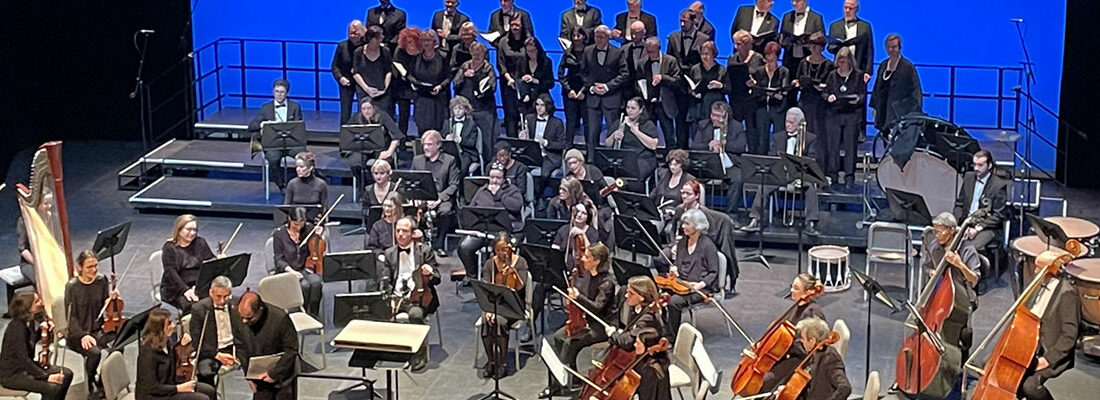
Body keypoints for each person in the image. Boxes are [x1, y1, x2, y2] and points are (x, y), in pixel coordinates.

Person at [539, 242, 618, 399]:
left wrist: (578, 297)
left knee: (570, 343)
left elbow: (597, 307)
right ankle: (573, 378)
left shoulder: (607, 283)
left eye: (587, 257)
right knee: (558, 337)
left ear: (596, 261)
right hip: (586, 321)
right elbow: (582, 296)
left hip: (602, 326)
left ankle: (557, 384)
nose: (583, 258)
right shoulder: (589, 274)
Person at [742, 107, 821, 235]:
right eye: (786, 122)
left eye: (792, 123)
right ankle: (755, 220)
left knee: (810, 187)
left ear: (800, 124)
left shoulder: (811, 138)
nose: (788, 125)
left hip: (799, 174)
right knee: (763, 186)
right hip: (780, 174)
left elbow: (812, 159)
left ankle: (810, 223)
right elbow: (772, 157)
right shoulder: (777, 137)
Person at [378, 217, 441, 371]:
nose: (400, 234)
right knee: (374, 311)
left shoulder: (424, 251)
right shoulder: (389, 253)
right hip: (397, 297)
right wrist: (386, 293)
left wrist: (430, 272)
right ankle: (392, 352)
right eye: (397, 230)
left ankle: (419, 355)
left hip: (419, 298)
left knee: (415, 314)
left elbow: (437, 278)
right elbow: (384, 279)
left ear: (412, 234)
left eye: (404, 231)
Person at [1016, 258, 1080, 400]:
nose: (1035, 271)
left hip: (1050, 352)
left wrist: (1049, 359)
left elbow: (1069, 335)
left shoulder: (1067, 293)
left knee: (1030, 386)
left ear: (1051, 269)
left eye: (1039, 268)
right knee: (989, 364)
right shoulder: (1037, 285)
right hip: (1030, 346)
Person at [921, 212, 981, 357]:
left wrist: (960, 265)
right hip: (939, 292)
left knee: (961, 332)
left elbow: (974, 279)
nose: (936, 235)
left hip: (962, 297)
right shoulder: (935, 246)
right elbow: (926, 266)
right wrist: (931, 273)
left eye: (940, 231)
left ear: (952, 230)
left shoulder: (967, 250)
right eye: (934, 231)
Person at [605, 277, 671, 400]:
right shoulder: (637, 310)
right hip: (642, 359)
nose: (625, 296)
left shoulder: (648, 318)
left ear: (642, 297)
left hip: (649, 366)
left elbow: (629, 342)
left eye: (630, 293)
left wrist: (613, 334)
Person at [65, 250, 119, 397]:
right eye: (89, 267)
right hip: (78, 333)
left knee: (118, 346)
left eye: (96, 266)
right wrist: (82, 335)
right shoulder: (72, 286)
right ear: (79, 268)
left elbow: (105, 307)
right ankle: (90, 383)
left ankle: (102, 380)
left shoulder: (101, 280)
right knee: (95, 353)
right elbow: (71, 318)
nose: (94, 270)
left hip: (97, 329)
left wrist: (111, 299)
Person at [0, 292, 74, 400]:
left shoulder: (29, 322)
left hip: (25, 368)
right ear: (28, 307)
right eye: (37, 301)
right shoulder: (17, 328)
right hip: (12, 375)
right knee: (51, 388)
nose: (41, 303)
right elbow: (23, 359)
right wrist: (46, 376)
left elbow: (37, 339)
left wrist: (46, 329)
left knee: (67, 374)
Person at [458, 163, 525, 281]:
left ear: (504, 179)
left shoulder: (512, 190)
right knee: (464, 247)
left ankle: (499, 278)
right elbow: (471, 209)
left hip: (505, 231)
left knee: (500, 248)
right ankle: (472, 276)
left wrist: (498, 194)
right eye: (492, 177)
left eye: (498, 178)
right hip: (482, 230)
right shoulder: (482, 190)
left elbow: (516, 206)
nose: (494, 181)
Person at [662, 209, 719, 341]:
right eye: (683, 223)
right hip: (681, 283)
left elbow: (713, 272)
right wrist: (674, 269)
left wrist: (699, 285)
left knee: (674, 302)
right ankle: (664, 328)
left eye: (687, 224)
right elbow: (678, 263)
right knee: (657, 294)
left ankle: (671, 337)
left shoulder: (708, 245)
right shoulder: (683, 242)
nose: (683, 226)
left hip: (700, 287)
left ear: (697, 226)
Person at [135, 308, 216, 400]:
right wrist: (179, 388)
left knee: (209, 390)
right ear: (159, 328)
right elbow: (151, 388)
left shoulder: (168, 343)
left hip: (169, 387)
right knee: (202, 398)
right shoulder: (148, 353)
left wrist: (182, 346)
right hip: (153, 396)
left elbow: (174, 367)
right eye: (169, 323)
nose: (173, 325)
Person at [479, 233, 529, 378]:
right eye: (498, 250)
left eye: (504, 249)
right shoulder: (490, 264)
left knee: (500, 322)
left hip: (514, 306)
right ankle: (491, 361)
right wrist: (488, 309)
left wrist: (515, 273)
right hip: (494, 305)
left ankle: (502, 363)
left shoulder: (520, 262)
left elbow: (521, 287)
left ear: (510, 248)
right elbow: (486, 288)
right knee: (485, 320)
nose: (501, 253)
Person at [767, 317, 851, 400]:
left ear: (812, 341)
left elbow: (844, 388)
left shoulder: (830, 357)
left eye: (803, 338)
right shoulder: (812, 355)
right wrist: (787, 390)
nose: (801, 341)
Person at [238, 291, 299, 400]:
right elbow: (240, 347)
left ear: (260, 310)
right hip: (258, 376)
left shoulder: (280, 318)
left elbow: (291, 349)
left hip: (282, 374)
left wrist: (274, 374)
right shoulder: (239, 315)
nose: (244, 321)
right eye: (242, 317)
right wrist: (248, 375)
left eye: (249, 318)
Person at [189, 276, 249, 387]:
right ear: (211, 293)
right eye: (218, 296)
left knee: (256, 366)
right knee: (205, 372)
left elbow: (244, 332)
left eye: (226, 296)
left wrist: (237, 352)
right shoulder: (199, 309)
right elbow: (197, 342)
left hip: (234, 347)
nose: (222, 301)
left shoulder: (237, 304)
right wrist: (217, 355)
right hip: (210, 351)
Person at [689, 101, 747, 214]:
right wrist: (709, 145)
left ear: (726, 116)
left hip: (729, 164)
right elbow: (694, 146)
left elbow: (741, 146)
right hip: (708, 165)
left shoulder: (737, 126)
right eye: (713, 115)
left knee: (738, 179)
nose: (714, 118)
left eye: (718, 116)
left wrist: (723, 144)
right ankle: (697, 212)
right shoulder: (703, 125)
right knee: (692, 177)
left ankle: (731, 215)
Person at [582, 25, 629, 159]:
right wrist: (591, 87)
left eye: (602, 37)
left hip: (611, 98)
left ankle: (612, 161)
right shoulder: (587, 51)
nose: (598, 39)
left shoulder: (618, 52)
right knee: (592, 133)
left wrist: (607, 86)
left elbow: (624, 74)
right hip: (593, 99)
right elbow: (583, 73)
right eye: (597, 36)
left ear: (608, 38)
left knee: (612, 132)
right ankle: (591, 161)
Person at [247, 79, 304, 190]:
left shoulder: (295, 107)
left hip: (291, 143)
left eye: (282, 92)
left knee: (304, 156)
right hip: (273, 145)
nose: (279, 94)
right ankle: (281, 184)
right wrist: (263, 124)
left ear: (287, 92)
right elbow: (251, 126)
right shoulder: (266, 108)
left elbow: (299, 127)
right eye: (276, 91)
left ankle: (301, 185)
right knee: (273, 159)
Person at [952, 150, 1009, 260]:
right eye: (974, 164)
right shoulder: (969, 177)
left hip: (986, 227)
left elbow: (998, 216)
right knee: (947, 241)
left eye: (980, 165)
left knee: (968, 248)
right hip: (965, 223)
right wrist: (957, 223)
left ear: (990, 165)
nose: (976, 168)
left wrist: (978, 228)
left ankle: (972, 275)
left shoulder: (999, 185)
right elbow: (959, 204)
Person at [823, 46, 867, 187]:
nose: (842, 64)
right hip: (834, 114)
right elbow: (825, 92)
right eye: (840, 61)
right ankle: (833, 174)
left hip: (851, 115)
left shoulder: (858, 75)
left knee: (850, 147)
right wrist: (828, 97)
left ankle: (849, 176)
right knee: (833, 146)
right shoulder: (832, 75)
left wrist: (858, 100)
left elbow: (862, 94)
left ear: (850, 62)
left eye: (845, 61)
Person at [412, 131, 461, 255]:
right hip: (422, 196)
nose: (426, 148)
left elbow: (454, 185)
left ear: (438, 145)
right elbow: (411, 180)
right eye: (424, 145)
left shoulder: (450, 160)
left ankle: (439, 243)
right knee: (410, 209)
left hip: (441, 197)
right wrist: (416, 196)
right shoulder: (417, 160)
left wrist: (439, 198)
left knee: (445, 211)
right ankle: (418, 243)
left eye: (429, 144)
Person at [451, 40, 498, 167]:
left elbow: (493, 87)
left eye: (479, 53)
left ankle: (487, 164)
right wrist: (464, 75)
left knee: (486, 140)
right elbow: (455, 83)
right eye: (474, 53)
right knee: (467, 137)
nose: (477, 56)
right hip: (467, 108)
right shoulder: (465, 66)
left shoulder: (488, 68)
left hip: (484, 108)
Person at [272, 207, 325, 317]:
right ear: (289, 220)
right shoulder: (279, 235)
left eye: (301, 223)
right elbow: (278, 260)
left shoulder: (308, 229)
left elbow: (316, 246)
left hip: (304, 268)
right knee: (305, 285)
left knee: (316, 283)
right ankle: (303, 314)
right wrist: (291, 271)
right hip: (287, 271)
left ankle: (314, 313)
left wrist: (318, 234)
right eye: (296, 224)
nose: (299, 227)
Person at [667, 9, 710, 147]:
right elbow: (669, 58)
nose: (682, 23)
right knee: (679, 118)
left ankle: (698, 148)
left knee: (697, 118)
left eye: (685, 21)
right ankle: (681, 148)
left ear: (694, 20)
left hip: (696, 83)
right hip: (679, 83)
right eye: (681, 20)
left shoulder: (703, 38)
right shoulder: (673, 37)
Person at [161, 214, 216, 314]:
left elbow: (210, 263)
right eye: (188, 229)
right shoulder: (169, 248)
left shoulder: (200, 242)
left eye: (195, 230)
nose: (192, 233)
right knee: (193, 306)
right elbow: (170, 272)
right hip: (176, 287)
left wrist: (218, 260)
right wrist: (186, 290)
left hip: (198, 285)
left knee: (216, 299)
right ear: (179, 229)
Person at [345, 98, 402, 192]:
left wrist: (389, 151)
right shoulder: (357, 118)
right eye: (364, 109)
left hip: (382, 150)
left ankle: (381, 189)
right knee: (354, 163)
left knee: (380, 164)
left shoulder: (383, 116)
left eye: (369, 108)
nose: (366, 111)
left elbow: (396, 136)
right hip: (362, 149)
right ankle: (364, 189)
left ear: (374, 108)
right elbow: (348, 136)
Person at [793, 32, 833, 166]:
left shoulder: (828, 64)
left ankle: (820, 166)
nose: (814, 48)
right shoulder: (803, 62)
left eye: (817, 46)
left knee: (819, 135)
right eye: (812, 45)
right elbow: (799, 79)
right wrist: (797, 83)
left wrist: (822, 86)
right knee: (803, 133)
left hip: (820, 104)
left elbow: (830, 84)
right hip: (805, 101)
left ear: (822, 47)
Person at [634, 37, 680, 149]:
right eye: (647, 51)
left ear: (659, 49)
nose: (649, 54)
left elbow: (678, 81)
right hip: (649, 105)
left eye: (652, 52)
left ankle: (670, 160)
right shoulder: (642, 63)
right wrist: (643, 92)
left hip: (665, 104)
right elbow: (637, 82)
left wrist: (663, 78)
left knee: (669, 136)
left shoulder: (670, 61)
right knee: (648, 135)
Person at [870, 34, 922, 132]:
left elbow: (916, 91)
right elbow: (877, 87)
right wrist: (875, 106)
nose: (891, 50)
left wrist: (911, 112)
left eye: (894, 47)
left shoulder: (907, 67)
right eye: (888, 47)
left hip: (899, 112)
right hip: (883, 110)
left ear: (900, 47)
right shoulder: (883, 65)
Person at [748, 41, 789, 155]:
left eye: (772, 55)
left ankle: (777, 162)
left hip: (778, 109)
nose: (769, 58)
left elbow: (784, 91)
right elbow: (757, 90)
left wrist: (776, 95)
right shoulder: (759, 71)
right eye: (767, 55)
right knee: (762, 138)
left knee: (778, 139)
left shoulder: (783, 71)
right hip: (762, 108)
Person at [604, 96, 659, 178]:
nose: (629, 111)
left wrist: (636, 132)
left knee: (634, 171)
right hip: (624, 157)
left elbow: (653, 145)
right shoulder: (620, 122)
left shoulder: (647, 124)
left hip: (642, 158)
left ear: (640, 110)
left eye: (633, 108)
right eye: (628, 107)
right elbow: (607, 144)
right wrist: (613, 136)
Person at [409, 31, 451, 134]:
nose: (426, 43)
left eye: (428, 40)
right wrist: (414, 83)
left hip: (437, 98)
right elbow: (410, 74)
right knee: (422, 127)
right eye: (423, 40)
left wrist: (440, 86)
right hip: (421, 97)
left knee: (437, 129)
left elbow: (449, 77)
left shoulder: (443, 57)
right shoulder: (416, 57)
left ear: (435, 42)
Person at [518, 93, 570, 178]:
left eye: (542, 105)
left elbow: (563, 144)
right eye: (537, 104)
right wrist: (523, 139)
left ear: (548, 106)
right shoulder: (529, 118)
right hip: (532, 155)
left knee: (544, 173)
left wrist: (545, 142)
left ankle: (539, 191)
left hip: (549, 156)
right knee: (520, 169)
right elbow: (526, 140)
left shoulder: (557, 122)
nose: (539, 107)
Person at [826, 0, 874, 82]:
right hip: (839, 69)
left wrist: (868, 71)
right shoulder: (834, 26)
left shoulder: (865, 26)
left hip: (858, 68)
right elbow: (830, 47)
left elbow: (869, 50)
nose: (847, 10)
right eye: (845, 8)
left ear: (857, 9)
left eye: (851, 8)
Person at [352, 25, 394, 117]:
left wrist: (384, 89)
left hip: (381, 92)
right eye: (379, 37)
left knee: (383, 117)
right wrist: (367, 89)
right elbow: (355, 73)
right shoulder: (358, 52)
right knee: (365, 118)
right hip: (364, 91)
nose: (382, 38)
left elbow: (389, 71)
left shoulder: (385, 51)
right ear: (371, 38)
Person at [726, 30, 765, 127]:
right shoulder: (732, 59)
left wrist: (755, 82)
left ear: (747, 44)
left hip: (752, 100)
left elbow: (763, 79)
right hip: (736, 99)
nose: (736, 47)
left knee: (751, 130)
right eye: (734, 43)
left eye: (739, 44)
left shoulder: (758, 58)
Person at [332, 20, 366, 123]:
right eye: (350, 33)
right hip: (346, 83)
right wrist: (340, 78)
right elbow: (335, 66)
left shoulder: (367, 47)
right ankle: (344, 135)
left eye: (356, 33)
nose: (353, 35)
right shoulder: (342, 46)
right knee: (345, 111)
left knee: (364, 109)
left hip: (363, 83)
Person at [440, 96, 483, 176]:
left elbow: (472, 143)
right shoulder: (448, 122)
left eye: (460, 109)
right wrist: (446, 138)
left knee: (461, 167)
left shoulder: (471, 124)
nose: (458, 111)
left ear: (466, 110)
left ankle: (459, 186)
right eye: (455, 109)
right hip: (450, 152)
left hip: (466, 153)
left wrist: (459, 139)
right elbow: (441, 138)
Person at [779, 0, 825, 74]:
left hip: (808, 61)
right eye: (792, 1)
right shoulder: (787, 16)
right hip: (789, 61)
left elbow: (822, 42)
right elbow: (782, 37)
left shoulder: (816, 18)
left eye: (797, 1)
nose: (794, 3)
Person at [558, 28, 588, 143]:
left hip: (584, 92)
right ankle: (568, 146)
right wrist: (568, 89)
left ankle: (588, 150)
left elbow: (592, 74)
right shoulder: (567, 53)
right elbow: (560, 73)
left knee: (587, 122)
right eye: (574, 36)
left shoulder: (589, 52)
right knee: (570, 121)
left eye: (578, 35)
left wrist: (583, 90)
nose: (576, 38)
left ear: (584, 36)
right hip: (569, 92)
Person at [688, 41, 727, 126]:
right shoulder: (695, 69)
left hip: (715, 105)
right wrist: (693, 93)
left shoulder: (721, 69)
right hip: (699, 107)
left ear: (713, 54)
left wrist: (720, 85)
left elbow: (729, 89)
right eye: (702, 54)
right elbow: (689, 87)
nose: (704, 57)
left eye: (707, 54)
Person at [392, 27, 422, 134]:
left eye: (414, 41)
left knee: (420, 115)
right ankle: (401, 140)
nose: (411, 44)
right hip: (403, 86)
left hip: (418, 86)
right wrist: (409, 78)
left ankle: (421, 139)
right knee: (403, 114)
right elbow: (397, 66)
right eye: (409, 42)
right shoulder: (399, 51)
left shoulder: (422, 51)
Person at [515, 37, 555, 116]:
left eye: (533, 51)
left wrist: (535, 81)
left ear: (538, 50)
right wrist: (522, 80)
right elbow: (517, 79)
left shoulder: (546, 62)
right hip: (526, 99)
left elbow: (550, 83)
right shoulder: (521, 62)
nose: (531, 54)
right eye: (528, 51)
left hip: (541, 96)